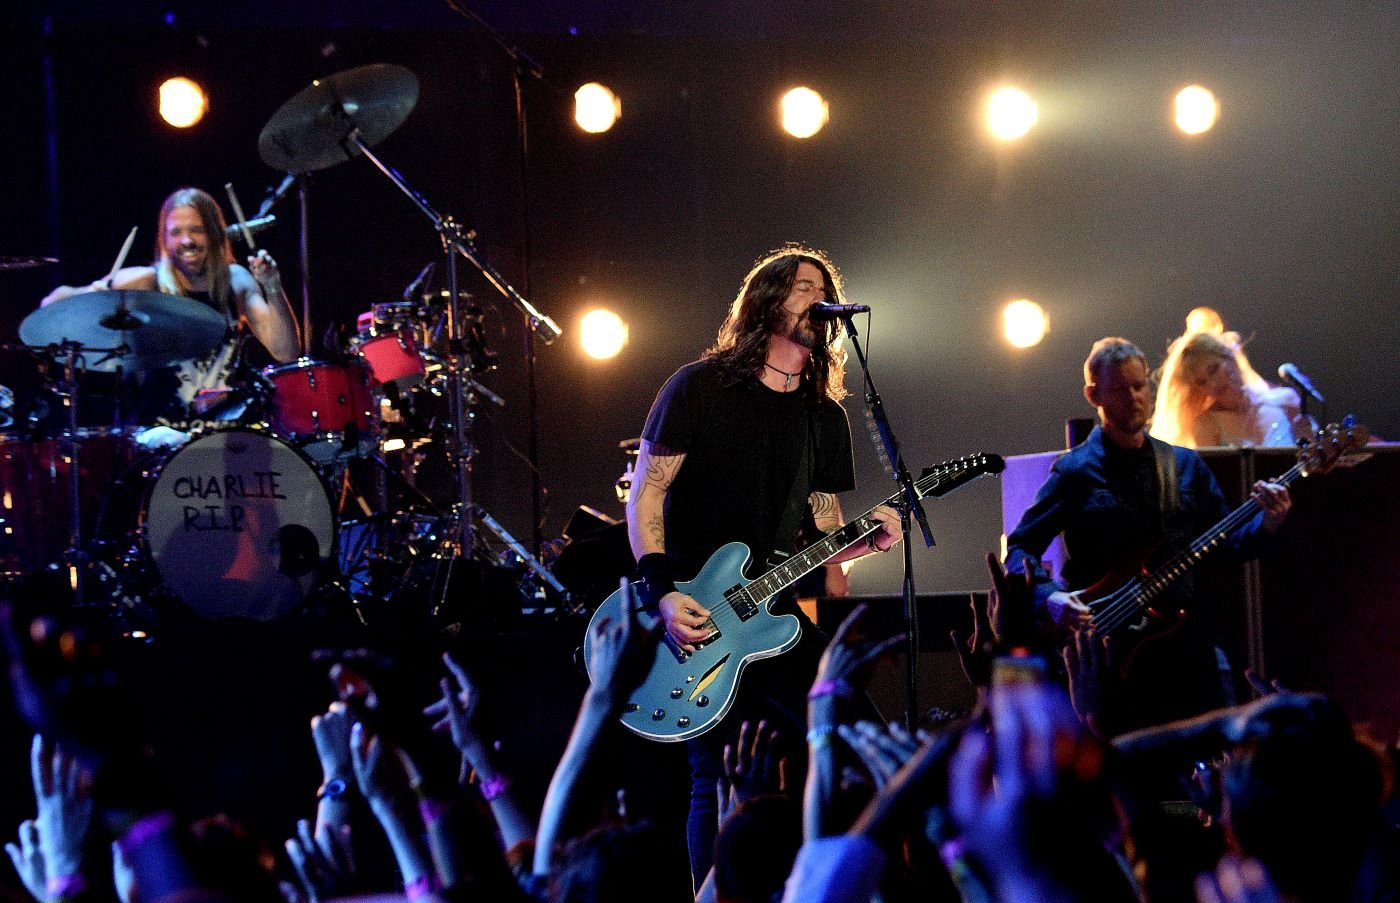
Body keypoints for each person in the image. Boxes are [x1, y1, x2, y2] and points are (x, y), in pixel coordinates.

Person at [626, 244, 902, 888]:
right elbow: (649, 493)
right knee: (710, 775)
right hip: (693, 608)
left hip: (774, 618)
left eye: (824, 289)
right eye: (804, 286)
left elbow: (826, 536)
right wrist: (663, 592)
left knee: (851, 741)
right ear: (767, 301)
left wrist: (867, 542)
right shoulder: (697, 388)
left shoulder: (823, 418)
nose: (818, 297)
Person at [1003, 337, 1292, 734]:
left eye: (1140, 386)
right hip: (1110, 654)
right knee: (1132, 776)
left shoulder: (1183, 466)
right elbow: (1020, 548)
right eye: (1121, 389)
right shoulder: (1075, 472)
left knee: (1202, 771)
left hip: (1186, 648)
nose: (1135, 397)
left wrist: (1269, 522)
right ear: (1094, 395)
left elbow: (1225, 547)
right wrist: (1050, 598)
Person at [39, 187, 300, 432]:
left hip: (228, 438)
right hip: (159, 438)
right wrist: (86, 296)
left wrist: (273, 287)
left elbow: (285, 351)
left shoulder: (236, 281)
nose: (187, 241)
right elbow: (56, 301)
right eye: (176, 232)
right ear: (164, 239)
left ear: (214, 233)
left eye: (196, 230)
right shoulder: (145, 282)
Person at [1150, 307, 1314, 448]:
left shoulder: (1285, 401)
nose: (1213, 383)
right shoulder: (1207, 425)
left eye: (1214, 369)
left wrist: (1307, 441)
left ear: (1229, 359)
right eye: (1202, 382)